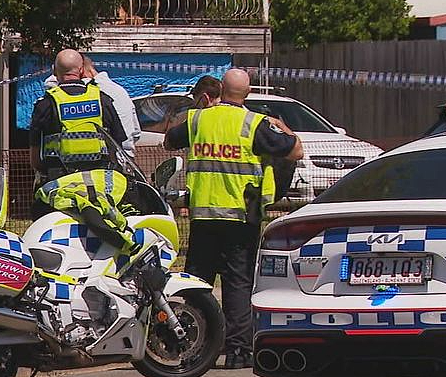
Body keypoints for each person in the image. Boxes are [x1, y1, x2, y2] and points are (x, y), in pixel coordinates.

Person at [164, 68, 304, 368]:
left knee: (196, 283)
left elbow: (168, 141)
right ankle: (238, 352)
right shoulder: (254, 124)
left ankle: (190, 343)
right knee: (237, 284)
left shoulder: (197, 119)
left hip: (202, 216)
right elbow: (295, 152)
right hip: (241, 218)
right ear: (248, 93)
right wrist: (283, 127)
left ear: (219, 91)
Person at [29, 49, 127, 219]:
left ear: (54, 71)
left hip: (60, 188)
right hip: (101, 188)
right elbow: (117, 146)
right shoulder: (101, 99)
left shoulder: (45, 105)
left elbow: (35, 157)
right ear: (82, 70)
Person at [44, 55, 141, 158]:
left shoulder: (90, 94)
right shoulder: (120, 90)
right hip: (127, 161)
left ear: (80, 71)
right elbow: (136, 132)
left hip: (98, 161)